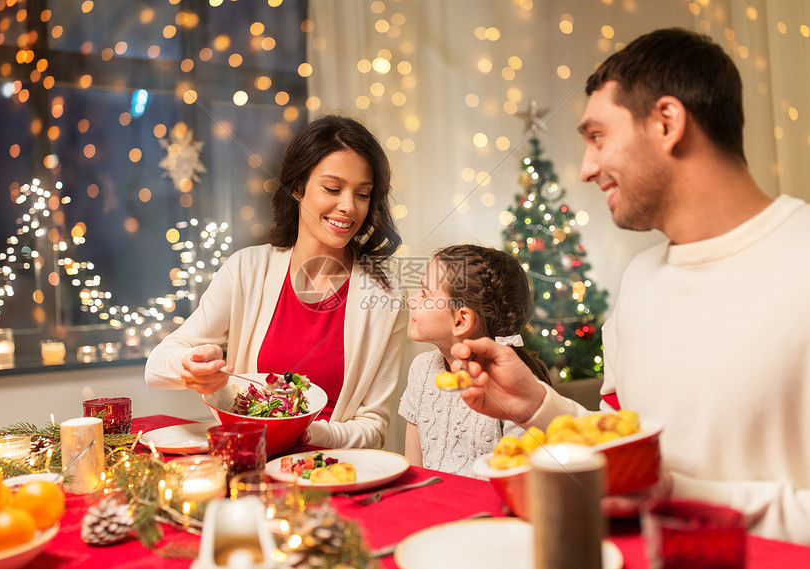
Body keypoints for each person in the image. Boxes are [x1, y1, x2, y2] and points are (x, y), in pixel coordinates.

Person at [452, 28, 810, 544]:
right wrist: (537, 405)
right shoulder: (639, 282)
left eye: (597, 137)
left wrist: (678, 496)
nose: (586, 169)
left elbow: (656, 486)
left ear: (667, 122)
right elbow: (628, 456)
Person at [145, 115, 408, 450]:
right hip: (249, 468)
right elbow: (156, 366)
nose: (348, 206)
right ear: (297, 188)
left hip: (332, 474)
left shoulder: (385, 298)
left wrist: (310, 434)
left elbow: (373, 426)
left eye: (362, 194)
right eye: (332, 188)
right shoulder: (247, 270)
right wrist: (190, 366)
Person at [398, 244, 549, 477]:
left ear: (461, 320)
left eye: (425, 293)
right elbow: (415, 473)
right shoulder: (422, 369)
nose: (412, 301)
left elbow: (523, 482)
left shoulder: (512, 387)